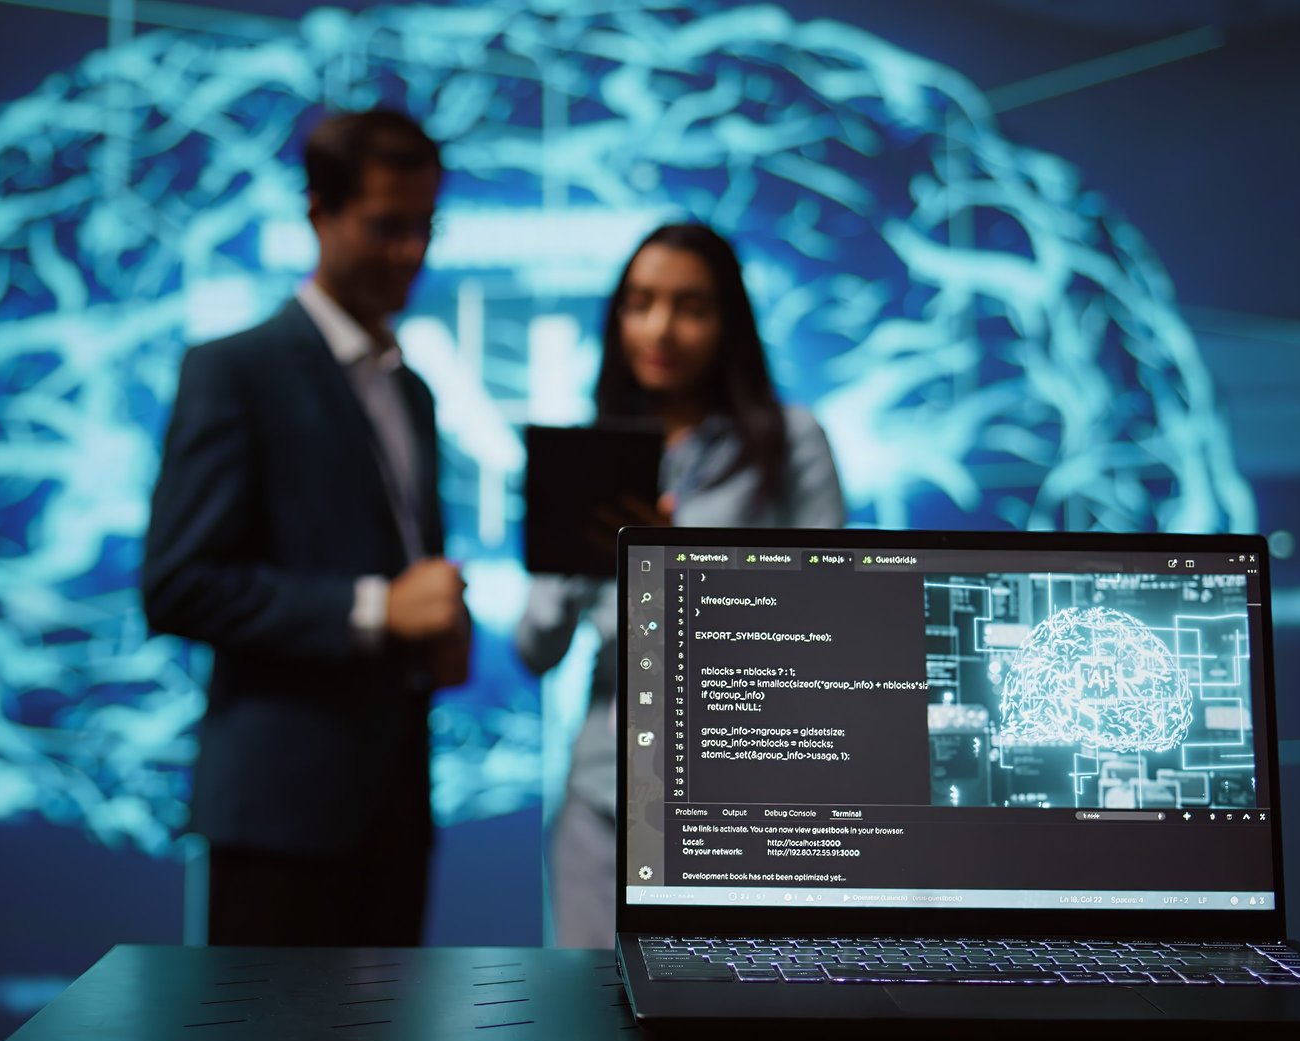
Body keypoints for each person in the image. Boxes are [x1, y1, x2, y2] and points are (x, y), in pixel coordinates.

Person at [142, 108, 469, 946]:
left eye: (424, 226)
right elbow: (179, 585)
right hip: (279, 820)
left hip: (394, 812)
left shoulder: (414, 392)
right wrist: (374, 611)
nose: (410, 253)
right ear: (318, 213)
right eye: (386, 226)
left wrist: (434, 636)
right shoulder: (233, 370)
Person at [515, 223, 845, 947]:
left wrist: (674, 566)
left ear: (729, 323)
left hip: (748, 803)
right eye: (640, 303)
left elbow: (837, 625)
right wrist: (582, 557)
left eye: (690, 306)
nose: (660, 327)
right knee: (589, 1031)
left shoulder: (789, 447)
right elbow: (533, 648)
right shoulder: (586, 455)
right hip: (605, 796)